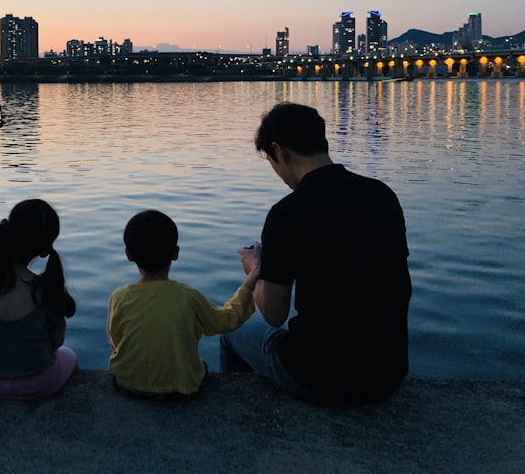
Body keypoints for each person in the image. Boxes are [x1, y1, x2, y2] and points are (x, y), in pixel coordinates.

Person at [220, 102, 412, 405]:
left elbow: (273, 314)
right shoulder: (382, 195)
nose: (278, 173)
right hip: (389, 373)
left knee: (231, 334)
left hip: (321, 377)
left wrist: (256, 269)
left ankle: (242, 411)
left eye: (272, 162)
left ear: (279, 152)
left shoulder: (287, 213)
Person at [107, 210, 260, 397]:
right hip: (181, 388)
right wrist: (250, 281)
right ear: (176, 253)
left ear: (128, 254)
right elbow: (226, 321)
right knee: (201, 367)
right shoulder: (188, 296)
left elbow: (116, 340)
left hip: (127, 384)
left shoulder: (119, 297)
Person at [0, 199, 78, 400]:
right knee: (69, 355)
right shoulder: (44, 290)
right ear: (44, 251)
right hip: (41, 383)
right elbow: (57, 341)